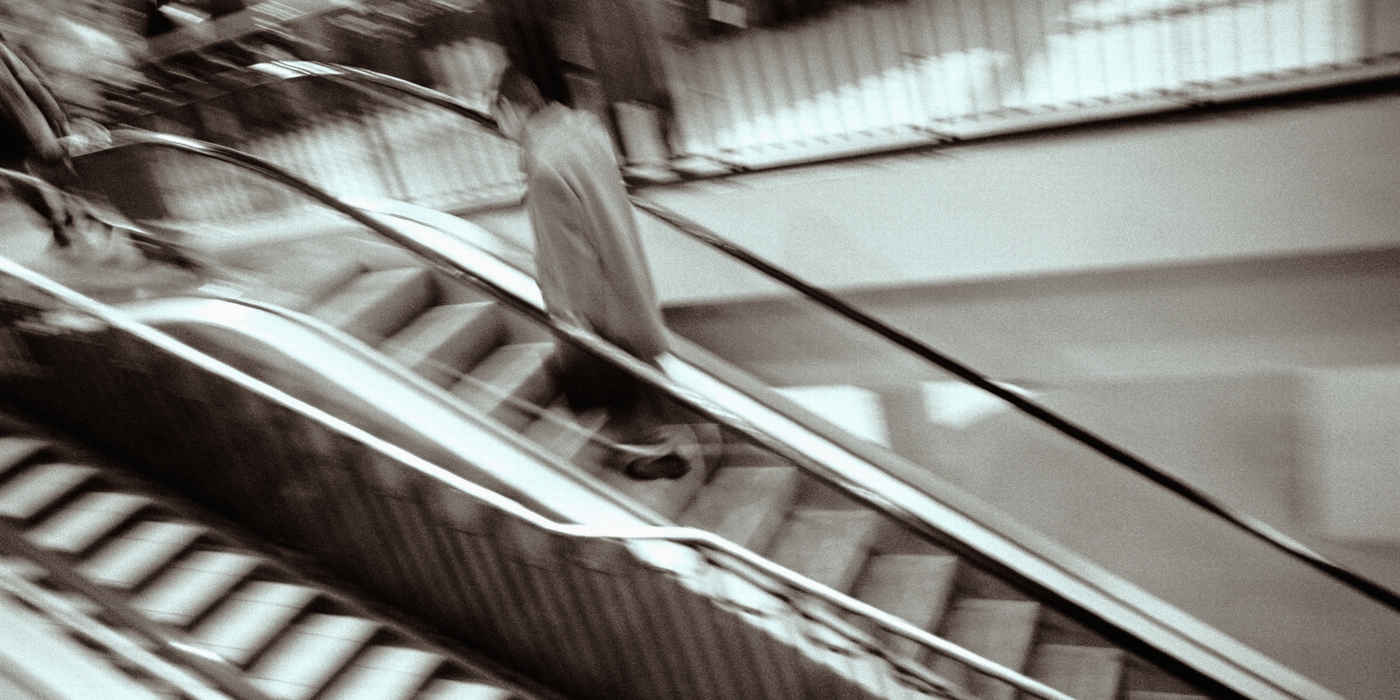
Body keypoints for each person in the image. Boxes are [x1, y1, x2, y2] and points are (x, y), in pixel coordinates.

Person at [491, 65, 707, 480]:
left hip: (600, 301)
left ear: (512, 109)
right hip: (627, 271)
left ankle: (653, 453)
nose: (502, 131)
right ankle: (663, 443)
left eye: (499, 119)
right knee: (639, 371)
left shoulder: (544, 167)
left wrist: (574, 321)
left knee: (615, 377)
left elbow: (569, 258)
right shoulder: (584, 131)